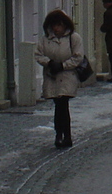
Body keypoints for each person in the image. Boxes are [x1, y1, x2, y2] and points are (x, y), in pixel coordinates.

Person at [35, 9, 84, 148]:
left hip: (68, 75)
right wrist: (50, 63)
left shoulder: (73, 38)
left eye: (59, 25)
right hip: (52, 76)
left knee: (63, 104)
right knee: (59, 105)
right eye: (53, 26)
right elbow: (38, 55)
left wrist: (63, 65)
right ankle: (61, 135)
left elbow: (78, 57)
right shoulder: (46, 39)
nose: (56, 29)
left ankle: (63, 135)